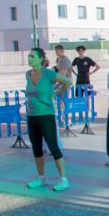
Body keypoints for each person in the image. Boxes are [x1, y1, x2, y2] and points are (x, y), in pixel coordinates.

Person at [24, 48, 73, 191]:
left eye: (32, 56)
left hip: (46, 115)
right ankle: (41, 178)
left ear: (41, 59)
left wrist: (55, 93)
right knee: (36, 148)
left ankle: (63, 179)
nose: (30, 58)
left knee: (53, 146)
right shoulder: (28, 74)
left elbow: (68, 82)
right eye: (29, 56)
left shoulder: (49, 74)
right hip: (32, 115)